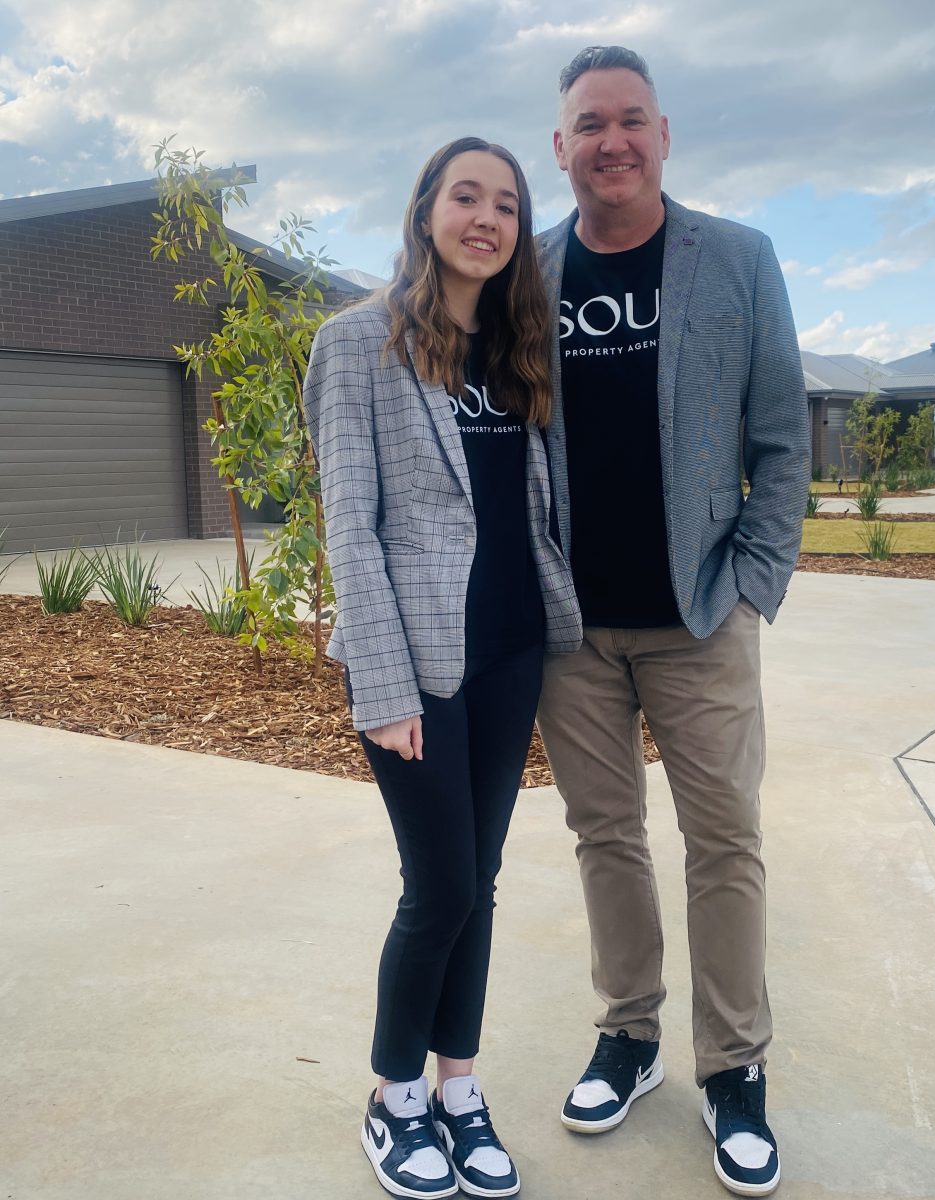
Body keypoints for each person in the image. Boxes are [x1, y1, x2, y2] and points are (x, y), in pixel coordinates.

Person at [534, 46, 810, 1197]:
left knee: (724, 843)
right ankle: (631, 1035)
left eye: (630, 120)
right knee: (605, 840)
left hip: (701, 613)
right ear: (561, 148)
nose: (612, 141)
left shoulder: (737, 260)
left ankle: (733, 1068)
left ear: (663, 133)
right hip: (571, 626)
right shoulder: (522, 275)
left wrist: (753, 577)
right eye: (589, 124)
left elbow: (783, 437)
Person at [303, 136, 582, 1200]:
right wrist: (378, 684)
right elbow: (350, 527)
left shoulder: (518, 348)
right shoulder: (357, 343)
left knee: (486, 883)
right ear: (427, 210)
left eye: (506, 204)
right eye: (467, 196)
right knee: (442, 884)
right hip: (416, 661)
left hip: (511, 647)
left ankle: (457, 1089)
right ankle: (392, 1098)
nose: (488, 218)